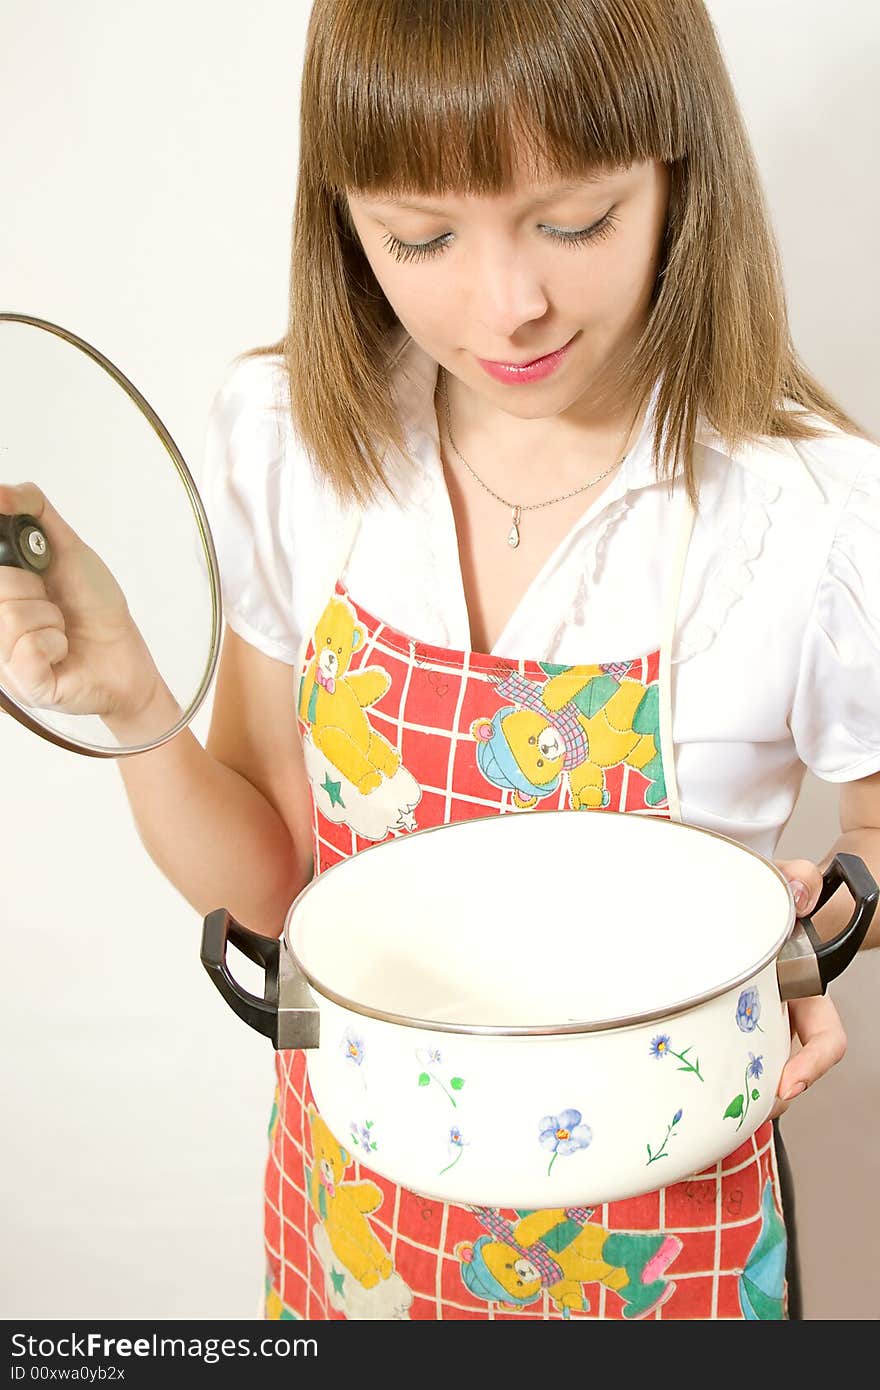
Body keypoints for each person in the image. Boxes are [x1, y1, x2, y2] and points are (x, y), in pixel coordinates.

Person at [1, 0, 878, 1320]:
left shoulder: (810, 510)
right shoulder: (291, 442)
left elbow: (870, 819)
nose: (507, 306)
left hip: (671, 1241)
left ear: (679, 175)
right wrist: (131, 694)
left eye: (574, 221)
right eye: (420, 236)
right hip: (360, 1228)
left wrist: (822, 920)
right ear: (341, 217)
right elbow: (271, 882)